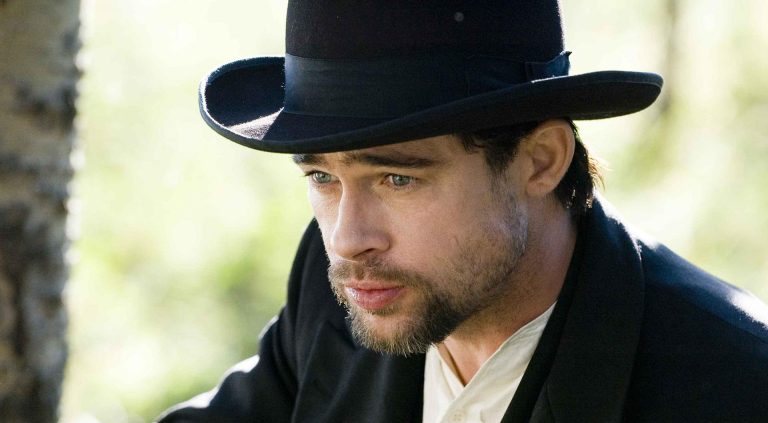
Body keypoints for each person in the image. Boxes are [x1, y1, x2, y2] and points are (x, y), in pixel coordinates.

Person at [158, 0, 768, 421]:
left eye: (398, 178)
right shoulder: (343, 292)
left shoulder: (734, 384)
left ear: (541, 161)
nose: (347, 239)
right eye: (322, 177)